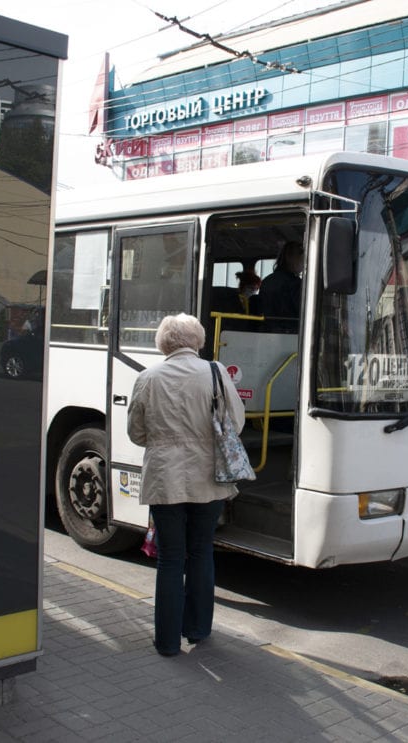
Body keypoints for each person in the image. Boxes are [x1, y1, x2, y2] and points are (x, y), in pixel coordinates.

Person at [127, 313, 246, 656]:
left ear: (163, 342)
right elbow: (234, 422)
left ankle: (166, 642)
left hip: (165, 479)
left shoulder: (148, 378)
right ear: (198, 340)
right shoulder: (215, 372)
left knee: (170, 559)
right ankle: (197, 630)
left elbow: (136, 433)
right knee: (201, 552)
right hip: (208, 477)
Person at [258, 241, 303, 331]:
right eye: (302, 259)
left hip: (266, 331)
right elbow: (301, 311)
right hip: (290, 333)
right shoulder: (296, 283)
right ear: (293, 259)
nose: (303, 264)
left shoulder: (266, 281)